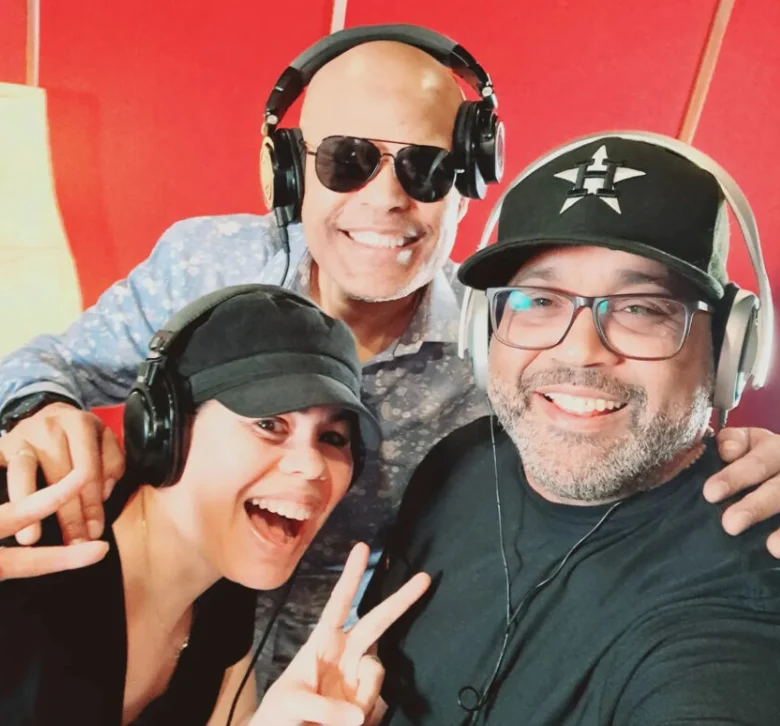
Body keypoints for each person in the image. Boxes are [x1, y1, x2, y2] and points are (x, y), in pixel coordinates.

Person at [1, 27, 780, 684]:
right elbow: (50, 365)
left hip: (322, 683)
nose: (385, 199)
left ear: (468, 182)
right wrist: (39, 407)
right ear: (288, 170)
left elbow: (618, 449)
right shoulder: (205, 265)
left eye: (426, 168)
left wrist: (737, 467)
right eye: (347, 160)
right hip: (129, 637)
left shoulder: (510, 344)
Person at [365, 136, 780, 725]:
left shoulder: (752, 580)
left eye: (641, 308)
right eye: (538, 300)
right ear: (484, 331)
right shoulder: (461, 460)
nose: (581, 351)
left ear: (730, 353)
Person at [0, 284, 430, 726]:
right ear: (162, 431)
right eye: (269, 424)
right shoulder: (22, 533)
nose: (313, 465)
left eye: (333, 438)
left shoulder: (226, 606)